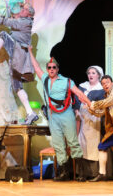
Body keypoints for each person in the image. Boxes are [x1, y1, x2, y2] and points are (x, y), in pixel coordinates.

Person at [28, 48, 91, 181]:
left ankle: (82, 173)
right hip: (52, 115)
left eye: (54, 67)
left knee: (73, 142)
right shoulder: (44, 78)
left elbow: (79, 94)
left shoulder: (66, 81)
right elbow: (36, 66)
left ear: (57, 69)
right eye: (49, 67)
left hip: (66, 113)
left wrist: (91, 104)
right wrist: (30, 51)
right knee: (57, 144)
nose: (51, 69)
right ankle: (64, 173)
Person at [0, 2, 39, 125]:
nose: (21, 10)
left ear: (29, 14)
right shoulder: (24, 21)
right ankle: (31, 113)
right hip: (18, 58)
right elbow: (12, 17)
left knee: (3, 35)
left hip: (18, 55)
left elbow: (3, 22)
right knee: (17, 87)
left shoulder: (24, 22)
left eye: (24, 9)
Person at [72, 66, 113, 181]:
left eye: (93, 73)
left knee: (95, 144)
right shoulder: (82, 86)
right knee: (83, 144)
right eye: (89, 73)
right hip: (84, 119)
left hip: (97, 119)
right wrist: (77, 111)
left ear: (99, 75)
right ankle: (83, 173)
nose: (90, 75)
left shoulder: (102, 89)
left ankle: (96, 173)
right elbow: (76, 102)